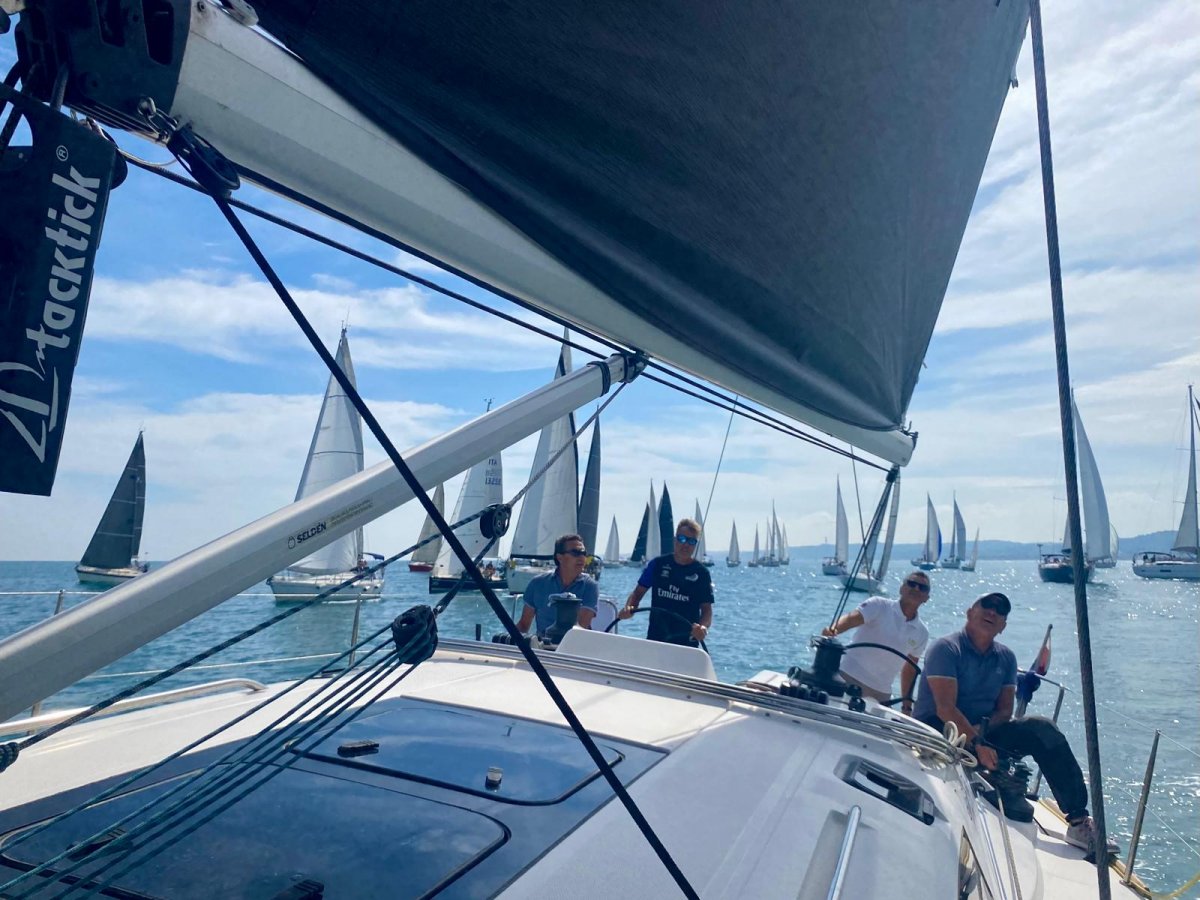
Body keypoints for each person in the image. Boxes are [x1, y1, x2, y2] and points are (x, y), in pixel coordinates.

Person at [913, 592, 1117, 860]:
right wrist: (977, 743)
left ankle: (1079, 822)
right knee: (958, 734)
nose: (993, 613)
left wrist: (982, 735)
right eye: (986, 606)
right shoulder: (946, 649)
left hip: (982, 733)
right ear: (969, 611)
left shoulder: (1006, 658)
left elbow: (1004, 711)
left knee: (1042, 727)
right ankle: (984, 766)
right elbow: (945, 708)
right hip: (940, 731)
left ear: (1003, 626)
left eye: (1001, 611)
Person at [821, 570, 930, 710]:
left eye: (922, 587)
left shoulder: (922, 633)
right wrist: (834, 629)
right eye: (912, 584)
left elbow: (909, 670)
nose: (916, 588)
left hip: (881, 694)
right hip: (848, 677)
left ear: (927, 597)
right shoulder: (878, 605)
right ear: (902, 588)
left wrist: (906, 705)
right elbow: (852, 618)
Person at [618, 518, 713, 647]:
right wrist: (629, 608)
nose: (685, 545)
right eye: (682, 539)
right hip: (656, 638)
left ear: (695, 545)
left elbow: (707, 610)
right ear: (675, 540)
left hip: (686, 643)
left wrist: (703, 628)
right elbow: (638, 593)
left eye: (691, 541)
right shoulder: (657, 564)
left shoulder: (701, 573)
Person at [514, 533, 598, 639]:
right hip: (542, 648)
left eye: (583, 553)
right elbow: (523, 625)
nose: (581, 557)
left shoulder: (590, 586)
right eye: (575, 553)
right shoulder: (537, 583)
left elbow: (581, 627)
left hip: (573, 647)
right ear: (560, 557)